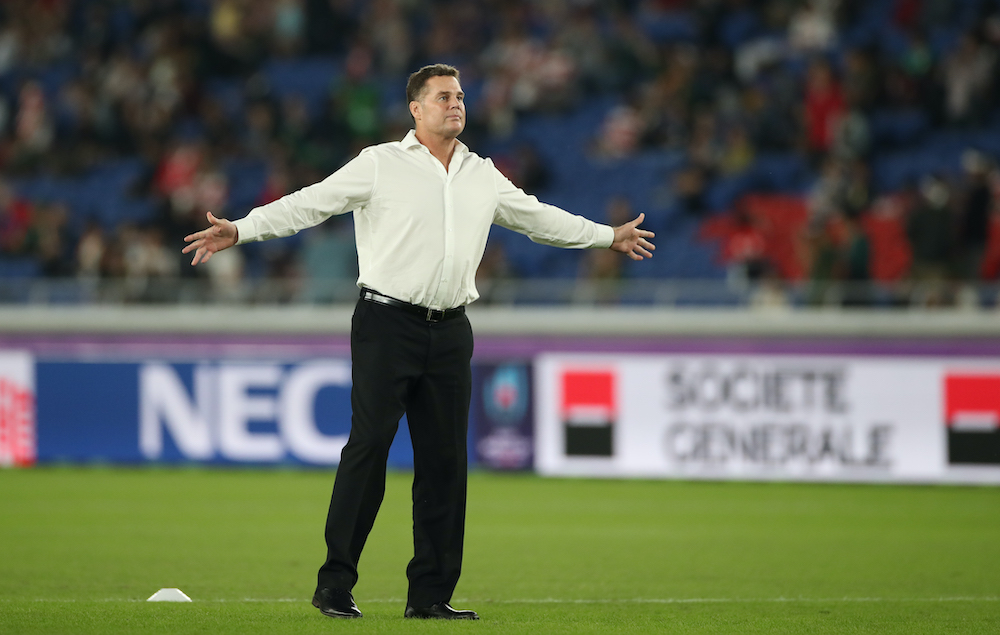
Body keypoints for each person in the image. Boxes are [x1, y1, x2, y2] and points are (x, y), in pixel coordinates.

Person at [182, 63, 655, 621]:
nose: (455, 104)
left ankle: (430, 595)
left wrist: (607, 236)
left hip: (452, 330)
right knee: (369, 449)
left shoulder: (482, 173)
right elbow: (310, 202)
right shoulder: (380, 164)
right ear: (415, 108)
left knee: (445, 465)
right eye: (442, 97)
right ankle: (335, 584)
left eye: (459, 96)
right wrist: (243, 227)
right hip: (387, 324)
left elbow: (537, 219)